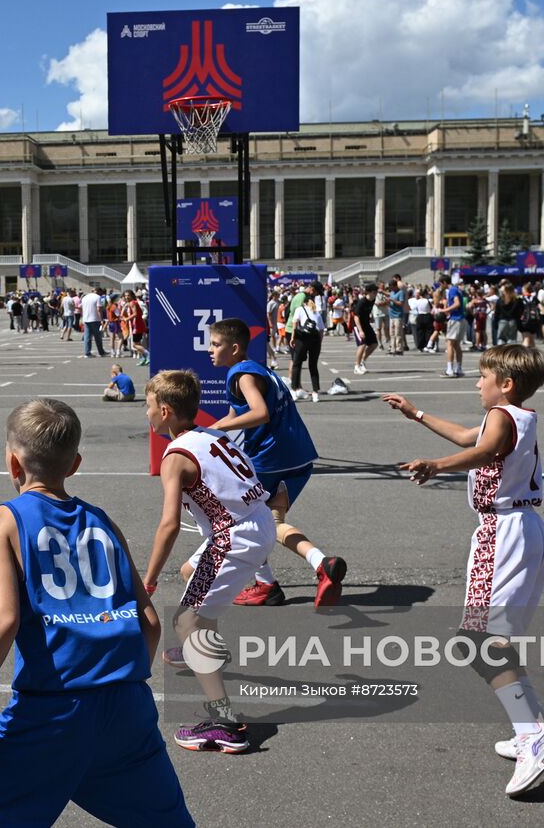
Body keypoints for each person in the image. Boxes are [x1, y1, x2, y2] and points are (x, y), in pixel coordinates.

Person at [0, 399, 192, 828]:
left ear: (13, 463)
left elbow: (2, 620)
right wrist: (118, 680)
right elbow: (149, 622)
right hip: (127, 703)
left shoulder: (2, 521)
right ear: (75, 464)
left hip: (53, 708)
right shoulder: (102, 521)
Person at [383, 344, 544, 796]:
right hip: (521, 528)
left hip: (502, 530)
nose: (476, 383)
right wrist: (417, 414)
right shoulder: (513, 416)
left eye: (482, 377)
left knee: (480, 640)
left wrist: (435, 465)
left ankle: (533, 734)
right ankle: (532, 726)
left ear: (505, 384)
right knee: (489, 638)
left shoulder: (503, 416)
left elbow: (481, 451)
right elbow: (471, 438)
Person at [143, 370, 278, 754]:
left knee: (186, 620)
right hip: (258, 520)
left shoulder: (176, 458)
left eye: (149, 406)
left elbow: (168, 525)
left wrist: (148, 582)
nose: (147, 414)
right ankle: (204, 648)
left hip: (233, 535)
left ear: (165, 411)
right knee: (192, 575)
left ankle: (225, 724)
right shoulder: (211, 434)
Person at [205, 318, 345, 608]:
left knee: (246, 523)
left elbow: (260, 413)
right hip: (299, 456)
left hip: (270, 459)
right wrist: (206, 434)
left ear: (233, 349)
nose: (210, 349)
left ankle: (266, 585)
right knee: (272, 521)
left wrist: (215, 433)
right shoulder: (259, 370)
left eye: (216, 344)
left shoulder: (241, 374)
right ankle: (322, 564)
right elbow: (235, 414)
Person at [288, 288, 324, 401]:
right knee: (313, 366)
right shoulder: (316, 312)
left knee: (297, 364)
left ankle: (294, 390)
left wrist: (293, 337)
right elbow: (321, 330)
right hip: (315, 339)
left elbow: (295, 323)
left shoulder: (300, 309)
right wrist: (320, 342)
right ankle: (315, 393)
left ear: (304, 302)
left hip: (302, 339)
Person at [437, 274, 466, 377]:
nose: (440, 286)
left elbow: (457, 303)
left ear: (445, 282)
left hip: (455, 319)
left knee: (449, 344)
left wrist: (445, 310)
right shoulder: (456, 289)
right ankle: (459, 369)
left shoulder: (452, 290)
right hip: (461, 319)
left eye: (441, 284)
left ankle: (449, 370)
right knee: (456, 345)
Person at [352, 282, 379, 375]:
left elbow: (367, 311)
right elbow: (356, 317)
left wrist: (370, 316)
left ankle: (362, 361)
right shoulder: (361, 302)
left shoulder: (373, 299)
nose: (376, 293)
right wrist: (360, 331)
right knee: (362, 345)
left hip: (366, 324)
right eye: (375, 291)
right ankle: (357, 366)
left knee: (374, 344)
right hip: (358, 325)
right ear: (370, 292)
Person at [81, 286, 105, 358]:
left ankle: (87, 352)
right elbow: (99, 309)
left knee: (87, 337)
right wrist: (101, 319)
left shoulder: (84, 297)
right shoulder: (97, 297)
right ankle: (101, 352)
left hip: (86, 319)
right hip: (95, 319)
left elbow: (82, 308)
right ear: (99, 292)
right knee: (98, 337)